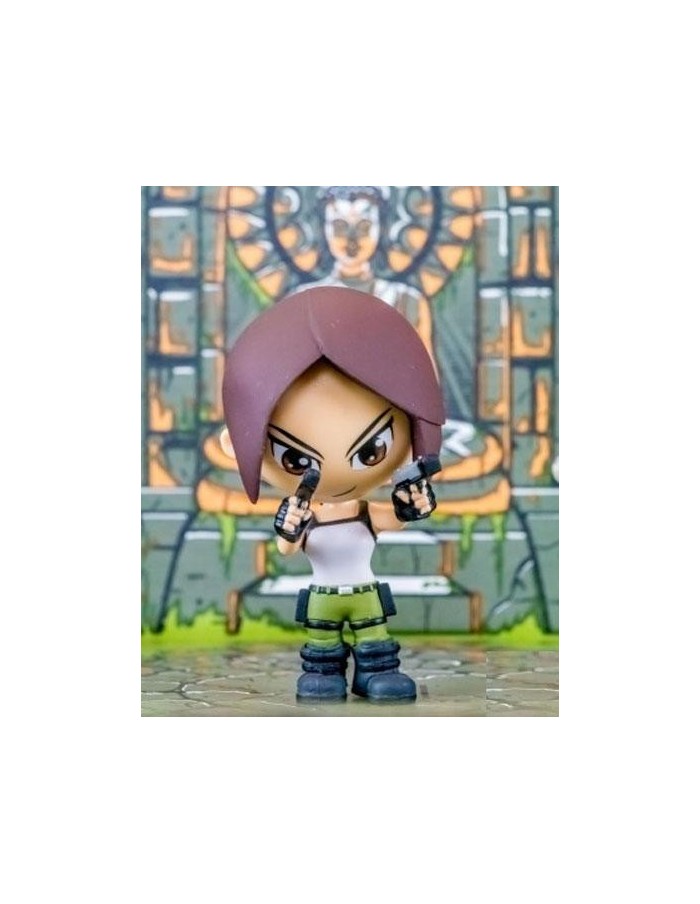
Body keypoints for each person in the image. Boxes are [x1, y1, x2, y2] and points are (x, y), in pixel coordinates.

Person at [219, 286, 445, 702]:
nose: (335, 474)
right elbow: (286, 549)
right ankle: (325, 673)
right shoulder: (305, 515)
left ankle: (374, 673)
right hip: (323, 597)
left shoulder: (364, 513)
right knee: (322, 646)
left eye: (371, 450)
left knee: (375, 641)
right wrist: (290, 526)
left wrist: (413, 503)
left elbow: (396, 517)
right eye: (294, 458)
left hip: (365, 595)